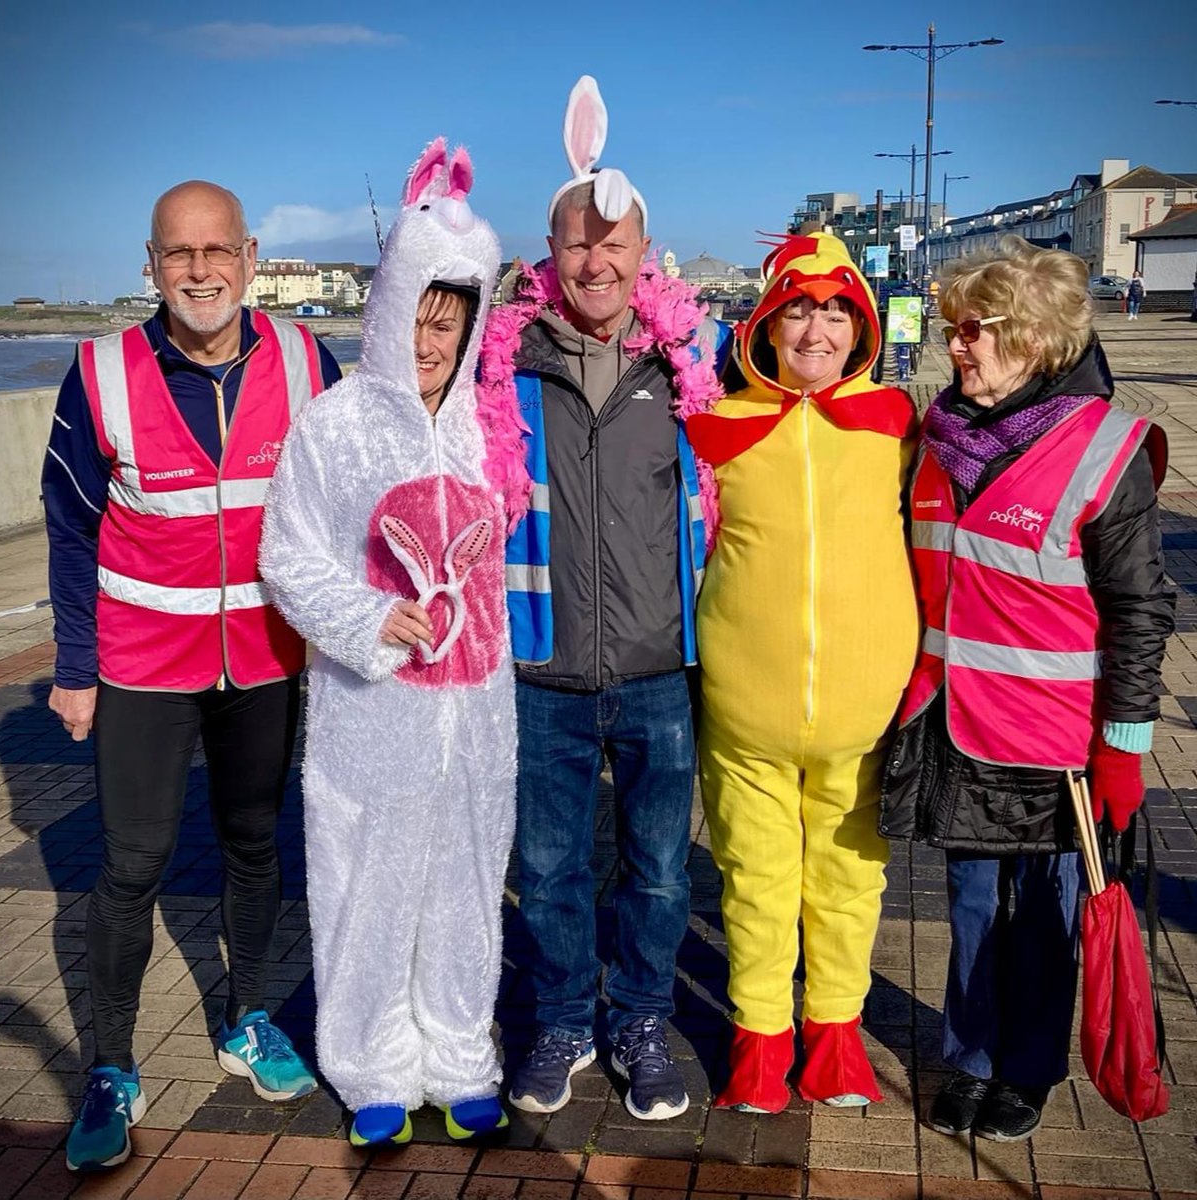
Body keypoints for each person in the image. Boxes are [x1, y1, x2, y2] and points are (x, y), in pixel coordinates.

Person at [43, 180, 341, 1172]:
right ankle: (113, 1066)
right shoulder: (99, 374)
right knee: (132, 865)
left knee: (255, 843)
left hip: (264, 657)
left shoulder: (307, 362)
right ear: (151, 265)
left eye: (217, 251)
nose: (201, 271)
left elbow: (345, 501)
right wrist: (76, 668)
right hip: (141, 663)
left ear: (252, 257)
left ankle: (250, 1017)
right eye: (180, 255)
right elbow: (72, 526)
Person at [880, 235, 1172, 1142]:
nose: (955, 347)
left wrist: (1124, 748)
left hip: (1059, 742)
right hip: (956, 726)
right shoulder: (937, 437)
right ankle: (970, 1056)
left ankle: (1032, 1068)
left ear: (1039, 339)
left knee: (1044, 913)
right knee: (970, 905)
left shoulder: (1106, 449)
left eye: (977, 331)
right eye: (953, 328)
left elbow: (1139, 611)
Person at [476, 76, 726, 1121]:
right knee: (549, 866)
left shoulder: (685, 365)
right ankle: (564, 1018)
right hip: (541, 667)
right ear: (552, 255)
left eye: (615, 245)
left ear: (642, 257)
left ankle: (640, 1021)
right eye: (579, 244)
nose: (596, 262)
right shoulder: (502, 370)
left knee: (662, 871)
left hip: (661, 669)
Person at [260, 139, 517, 1146]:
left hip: (475, 719)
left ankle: (460, 1053)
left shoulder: (489, 430)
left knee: (463, 890)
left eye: (448, 324)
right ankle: (371, 1062)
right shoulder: (331, 428)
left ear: (469, 326)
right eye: (416, 317)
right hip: (375, 721)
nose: (429, 342)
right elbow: (290, 557)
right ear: (385, 311)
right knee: (369, 892)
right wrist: (367, 623)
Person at [685, 232, 919, 1113]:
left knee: (850, 879)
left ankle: (833, 1038)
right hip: (746, 709)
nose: (816, 329)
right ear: (767, 323)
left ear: (860, 325)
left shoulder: (897, 425)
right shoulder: (715, 427)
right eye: (798, 308)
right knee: (753, 877)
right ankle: (758, 1039)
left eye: (835, 310)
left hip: (864, 708)